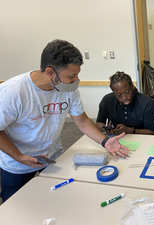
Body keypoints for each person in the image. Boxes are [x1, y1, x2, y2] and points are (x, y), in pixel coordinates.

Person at [0, 40, 130, 203]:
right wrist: (18, 156)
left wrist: (105, 141)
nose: (76, 80)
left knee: (55, 202)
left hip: (52, 157)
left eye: (77, 74)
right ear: (50, 72)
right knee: (17, 209)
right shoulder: (13, 92)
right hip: (17, 164)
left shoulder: (67, 89)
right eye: (71, 76)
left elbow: (81, 120)